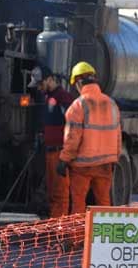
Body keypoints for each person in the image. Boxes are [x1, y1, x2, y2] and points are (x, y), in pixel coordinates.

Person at [57, 61, 122, 219]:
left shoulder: (78, 106)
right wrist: (115, 158)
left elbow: (72, 137)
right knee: (104, 203)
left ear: (79, 83)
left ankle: (78, 235)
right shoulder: (111, 104)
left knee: (79, 204)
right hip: (105, 164)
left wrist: (64, 159)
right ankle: (104, 234)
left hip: (82, 166)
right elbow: (118, 136)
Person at [28, 65, 74, 218]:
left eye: (40, 84)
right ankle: (55, 223)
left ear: (50, 79)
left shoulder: (64, 98)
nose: (39, 88)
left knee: (60, 193)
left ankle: (59, 226)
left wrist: (66, 155)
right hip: (50, 152)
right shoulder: (49, 98)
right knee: (53, 193)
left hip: (60, 152)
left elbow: (73, 126)